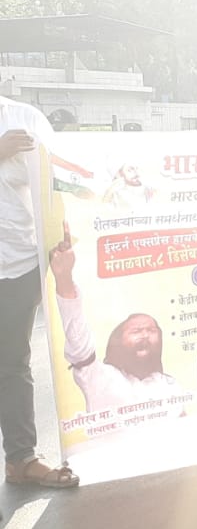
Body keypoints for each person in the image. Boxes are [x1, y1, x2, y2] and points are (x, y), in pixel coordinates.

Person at [1, 97, 80, 494]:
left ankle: (21, 459)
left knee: (12, 363)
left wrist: (62, 232)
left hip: (15, 263)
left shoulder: (24, 118)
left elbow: (55, 180)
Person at [49, 227, 185, 415]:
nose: (145, 335)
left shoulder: (171, 385)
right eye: (136, 331)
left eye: (151, 330)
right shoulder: (99, 377)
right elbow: (79, 345)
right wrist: (64, 278)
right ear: (118, 342)